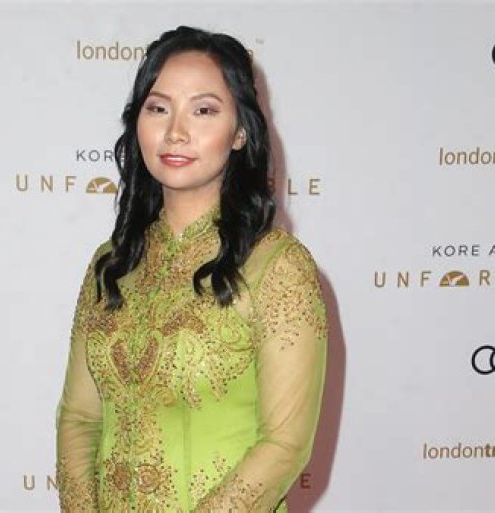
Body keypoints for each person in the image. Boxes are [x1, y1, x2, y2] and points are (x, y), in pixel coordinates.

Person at [56, 26, 327, 513]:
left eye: (204, 111)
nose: (175, 132)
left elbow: (284, 445)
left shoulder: (278, 266)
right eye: (158, 108)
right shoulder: (111, 263)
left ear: (240, 132)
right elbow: (79, 418)